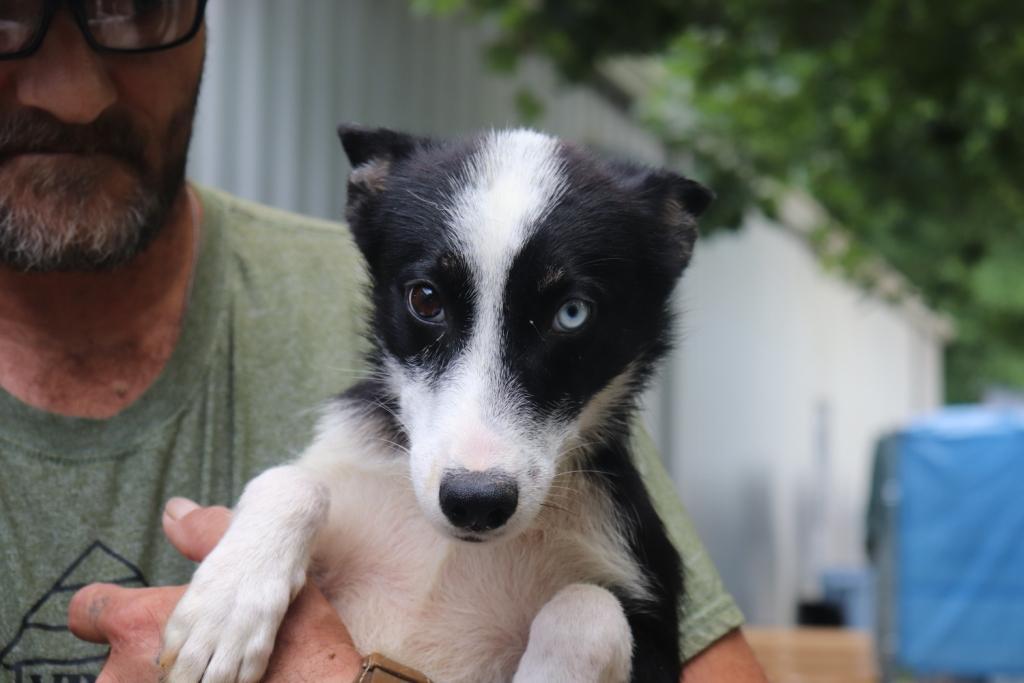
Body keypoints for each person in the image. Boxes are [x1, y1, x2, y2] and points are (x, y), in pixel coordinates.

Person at [0, 3, 767, 681]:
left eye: (128, 8)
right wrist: (279, 506)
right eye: (430, 300)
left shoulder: (594, 492)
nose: (73, 93)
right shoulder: (335, 466)